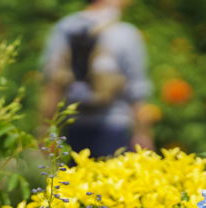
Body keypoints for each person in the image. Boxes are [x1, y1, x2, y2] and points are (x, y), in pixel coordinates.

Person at [41, 0, 153, 159]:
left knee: (72, 182)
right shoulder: (125, 32)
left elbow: (52, 84)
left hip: (71, 126)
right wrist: (143, 134)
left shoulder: (63, 28)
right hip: (114, 126)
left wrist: (46, 131)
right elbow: (136, 92)